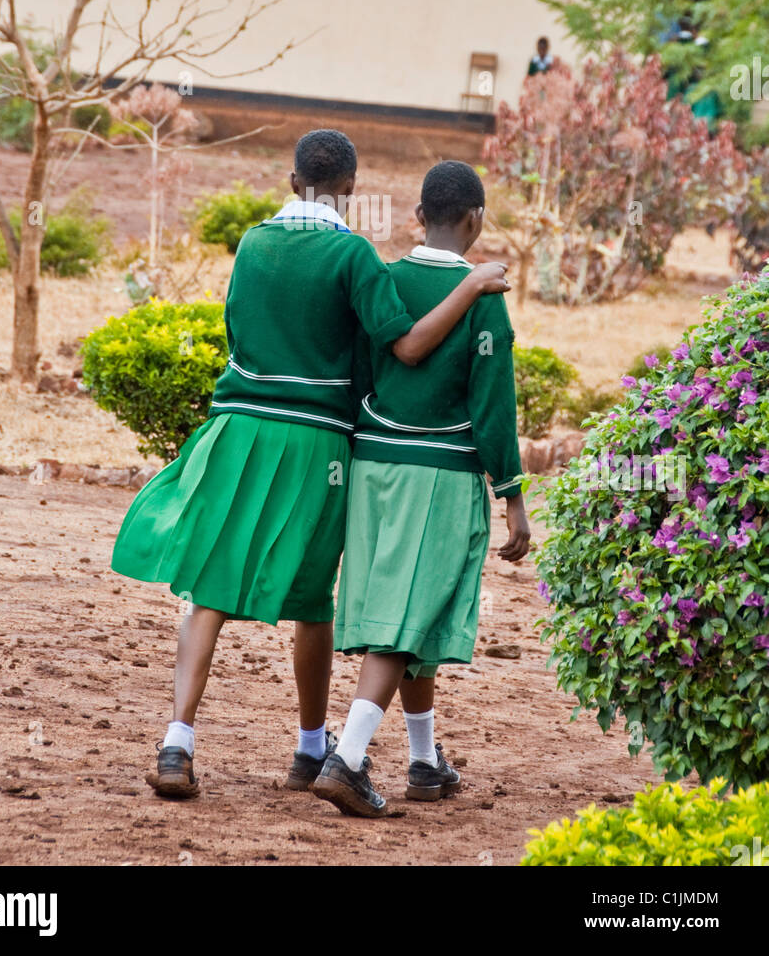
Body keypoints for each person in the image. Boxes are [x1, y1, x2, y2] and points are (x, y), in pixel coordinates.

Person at [110, 130, 510, 799]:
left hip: (235, 431)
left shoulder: (253, 244)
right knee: (313, 602)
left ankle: (177, 743)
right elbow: (403, 347)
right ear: (350, 189)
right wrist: (469, 287)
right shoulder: (353, 256)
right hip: (319, 444)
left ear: (292, 180)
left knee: (208, 590)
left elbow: (237, 331)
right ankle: (307, 751)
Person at [312, 160, 530, 818]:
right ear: (475, 220)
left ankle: (422, 761)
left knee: (414, 608)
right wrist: (512, 497)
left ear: (416, 216)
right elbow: (492, 410)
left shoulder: (381, 277)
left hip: (372, 465)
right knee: (405, 621)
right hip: (437, 473)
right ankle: (346, 759)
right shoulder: (482, 298)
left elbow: (356, 372)